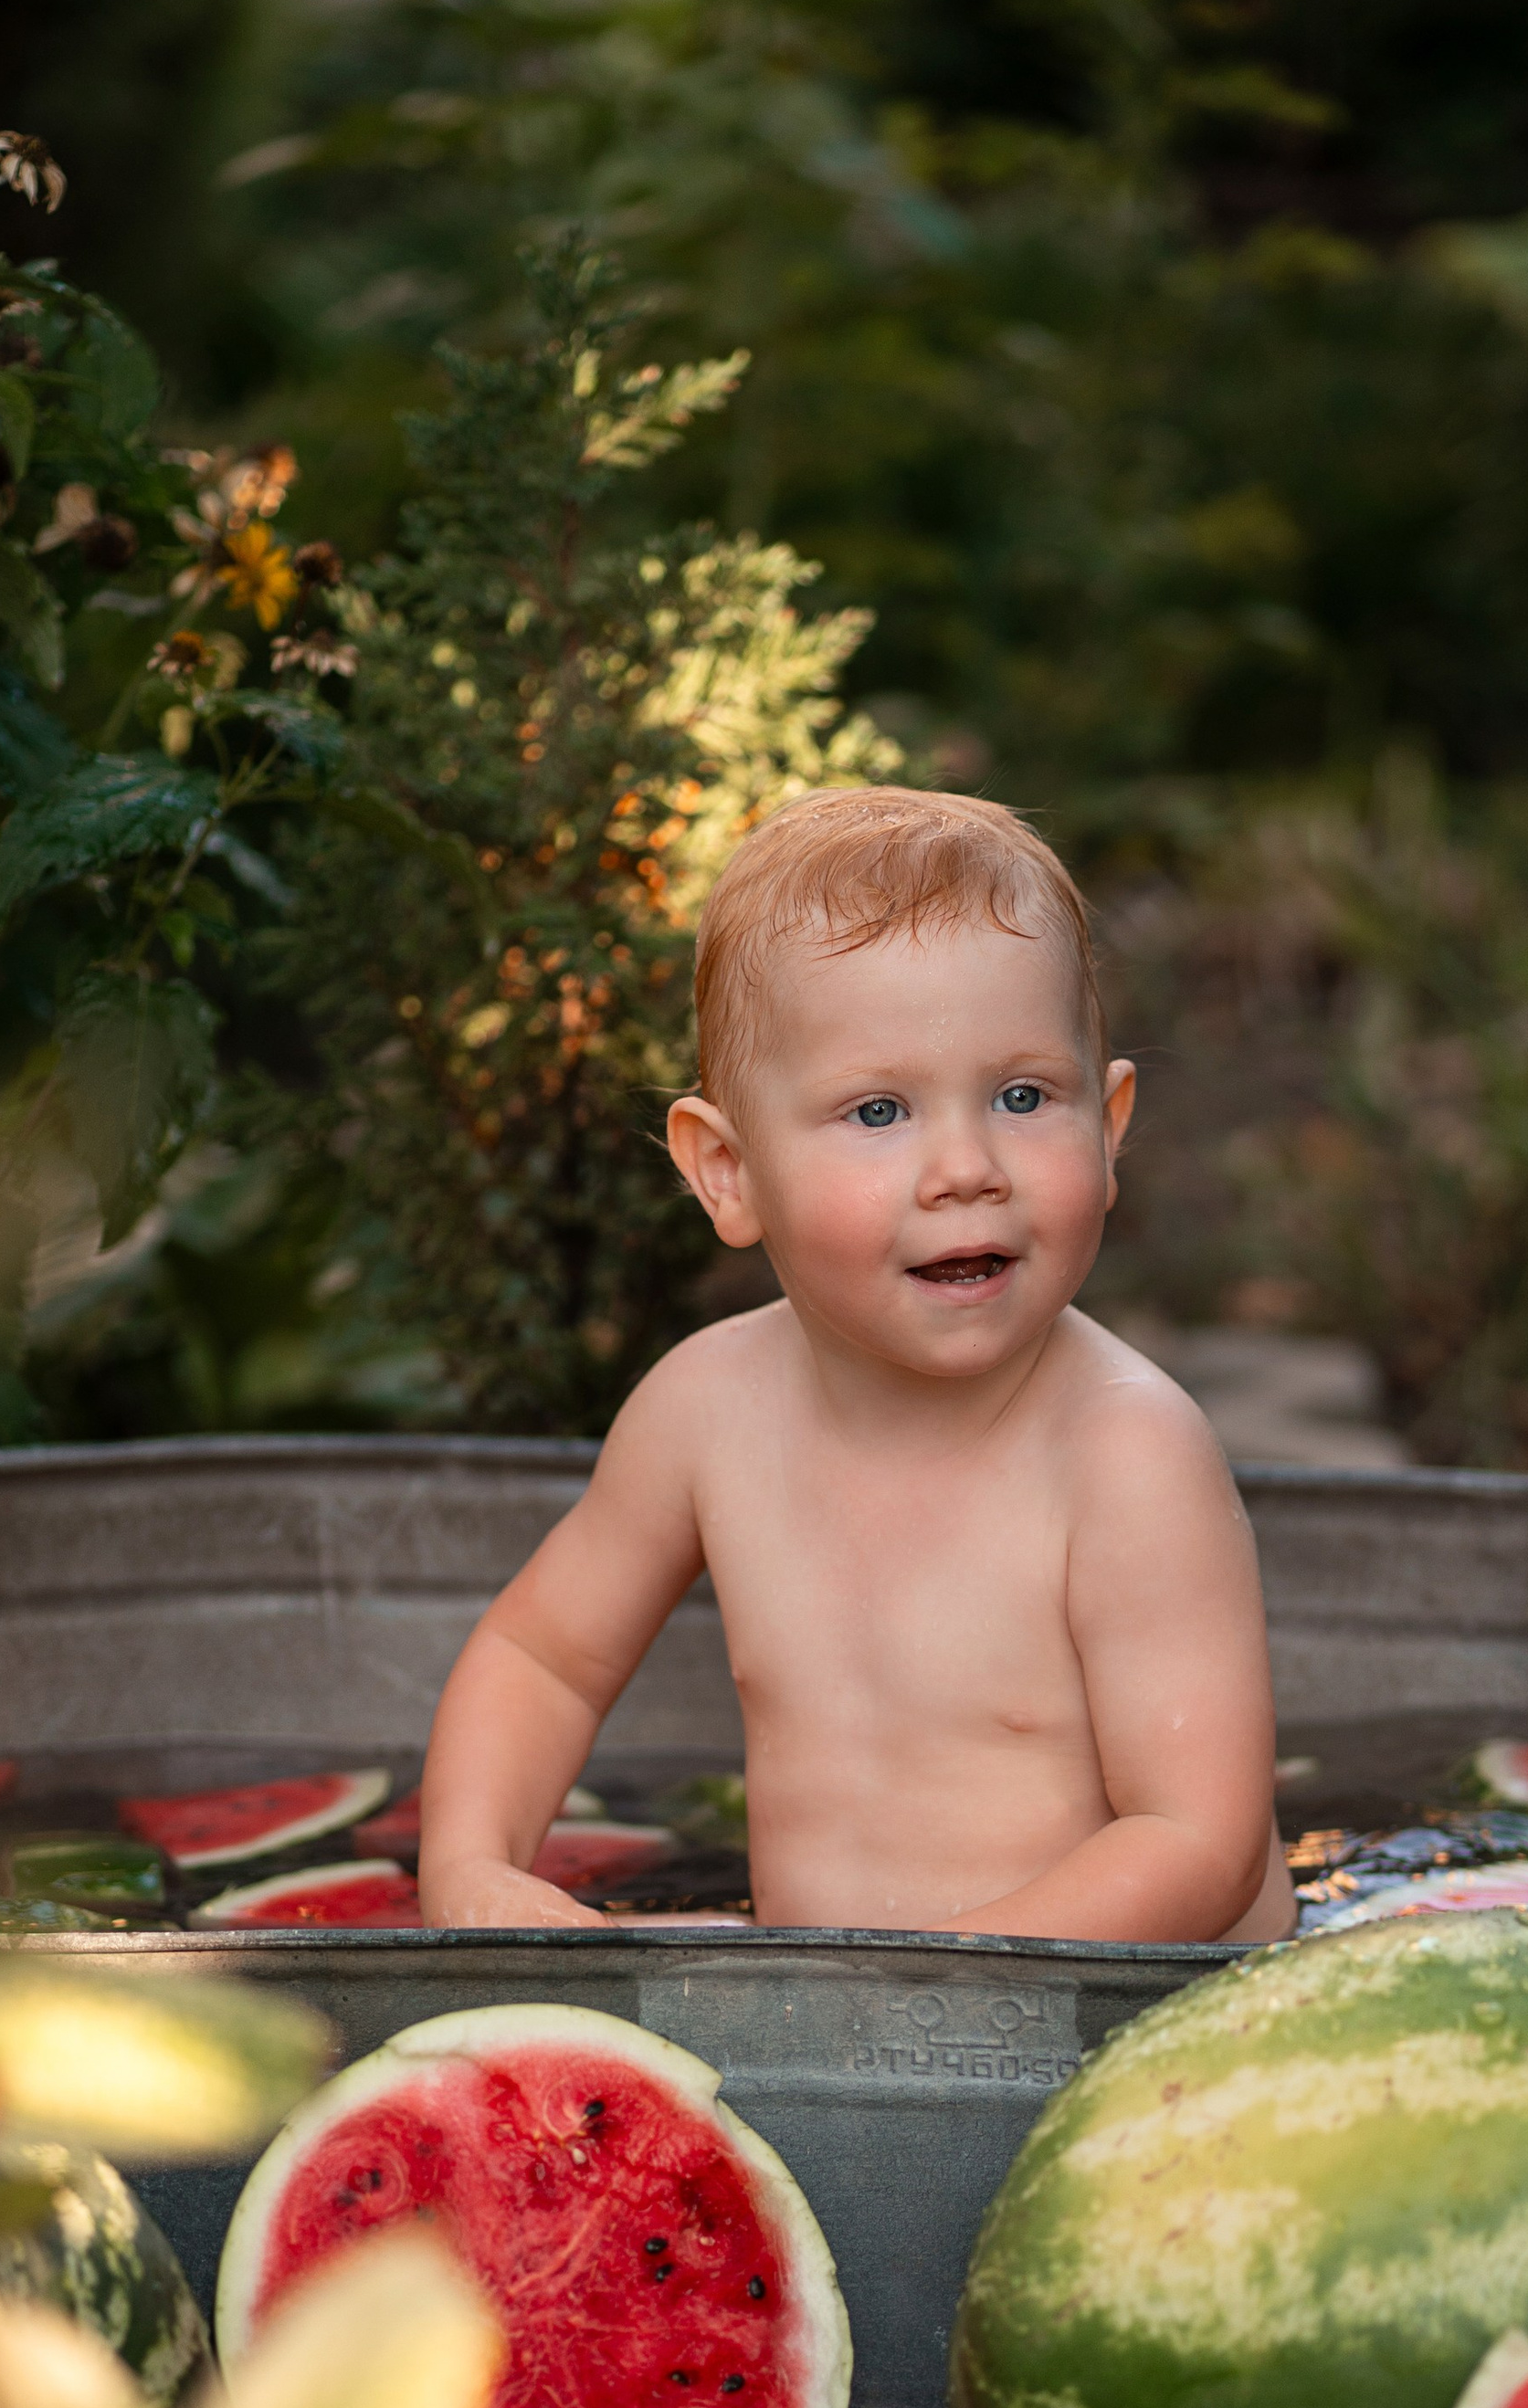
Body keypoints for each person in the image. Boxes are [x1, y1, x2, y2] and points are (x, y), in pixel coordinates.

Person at [418, 785, 1296, 1943]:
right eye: (879, 1111)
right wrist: (473, 1869)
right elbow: (544, 1657)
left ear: (1111, 1125)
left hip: (1118, 2019)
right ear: (726, 1170)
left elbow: (1200, 1839)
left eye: (1023, 1096)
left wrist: (931, 1988)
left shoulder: (1125, 1450)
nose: (965, 1167)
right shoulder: (704, 1412)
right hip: (839, 2018)